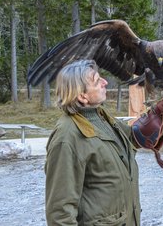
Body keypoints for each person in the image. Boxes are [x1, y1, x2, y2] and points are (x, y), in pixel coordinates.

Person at [45, 60, 141, 225]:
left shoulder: (101, 116)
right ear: (82, 96)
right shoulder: (66, 138)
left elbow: (132, 139)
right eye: (97, 81)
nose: (105, 82)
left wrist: (157, 117)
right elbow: (60, 212)